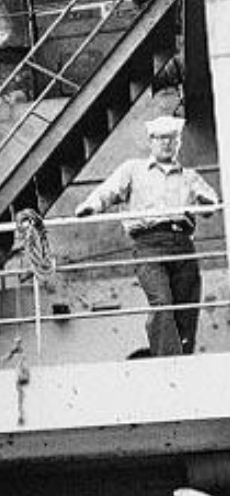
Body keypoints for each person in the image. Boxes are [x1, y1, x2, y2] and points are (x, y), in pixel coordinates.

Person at [74, 114, 221, 356]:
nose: (167, 143)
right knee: (162, 303)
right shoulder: (133, 169)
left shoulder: (189, 176)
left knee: (186, 307)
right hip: (149, 244)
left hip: (182, 243)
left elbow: (210, 202)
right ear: (151, 141)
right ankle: (166, 361)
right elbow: (109, 191)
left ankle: (184, 361)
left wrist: (206, 202)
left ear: (178, 143)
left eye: (172, 139)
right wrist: (91, 206)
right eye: (161, 139)